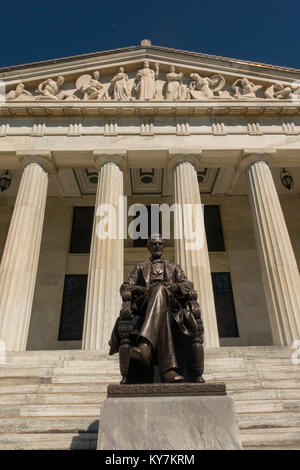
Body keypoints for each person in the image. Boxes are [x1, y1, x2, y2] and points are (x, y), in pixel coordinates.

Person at [109, 234, 204, 384]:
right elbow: (125, 287)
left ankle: (146, 346)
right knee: (160, 294)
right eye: (154, 244)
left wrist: (175, 286)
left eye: (160, 244)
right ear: (148, 247)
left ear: (163, 246)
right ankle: (168, 370)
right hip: (146, 304)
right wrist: (144, 289)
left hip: (171, 304)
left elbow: (188, 285)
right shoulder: (140, 268)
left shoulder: (174, 268)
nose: (157, 247)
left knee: (161, 291)